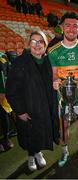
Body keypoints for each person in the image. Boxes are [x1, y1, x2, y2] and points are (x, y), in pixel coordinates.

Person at [6, 30, 57, 171]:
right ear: (29, 43)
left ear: (45, 44)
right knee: (30, 134)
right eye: (33, 41)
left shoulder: (48, 61)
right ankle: (30, 156)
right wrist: (20, 111)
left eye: (41, 41)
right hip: (28, 107)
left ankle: (38, 152)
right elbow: (11, 91)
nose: (37, 44)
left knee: (40, 133)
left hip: (44, 107)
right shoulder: (19, 62)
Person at [48, 11, 78, 167]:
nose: (71, 29)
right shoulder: (53, 51)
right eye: (68, 25)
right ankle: (65, 151)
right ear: (62, 27)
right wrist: (55, 81)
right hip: (62, 97)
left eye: (75, 25)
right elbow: (53, 74)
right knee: (63, 126)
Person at [0, 52, 14, 152]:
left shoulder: (2, 57)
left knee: (3, 114)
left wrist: (3, 92)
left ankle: (6, 139)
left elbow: (5, 76)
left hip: (2, 92)